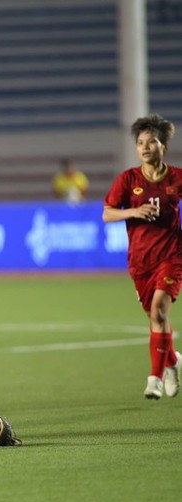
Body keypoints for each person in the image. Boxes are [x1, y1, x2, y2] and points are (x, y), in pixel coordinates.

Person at [102, 113, 182, 400]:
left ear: (164, 146)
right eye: (140, 143)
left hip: (171, 256)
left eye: (152, 142)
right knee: (154, 317)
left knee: (159, 311)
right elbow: (107, 213)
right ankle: (172, 362)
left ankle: (155, 379)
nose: (145, 147)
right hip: (140, 262)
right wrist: (133, 211)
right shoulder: (129, 179)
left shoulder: (177, 178)